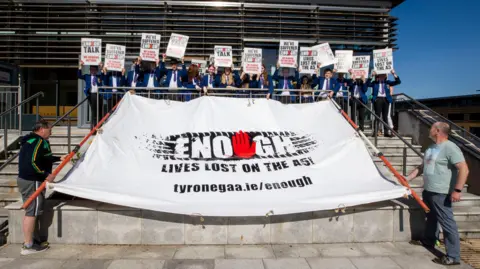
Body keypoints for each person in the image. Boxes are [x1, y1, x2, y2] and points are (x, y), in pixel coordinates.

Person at [406, 122, 469, 266]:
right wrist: (407, 178)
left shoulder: (450, 148)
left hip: (441, 192)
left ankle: (453, 256)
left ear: (438, 131)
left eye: (432, 128)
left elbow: (464, 169)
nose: (429, 130)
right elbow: (422, 167)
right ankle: (428, 241)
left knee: (447, 223)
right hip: (428, 190)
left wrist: (457, 190)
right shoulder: (431, 148)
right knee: (431, 218)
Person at [17, 120, 66, 255]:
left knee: (33, 210)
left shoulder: (32, 140)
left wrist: (58, 158)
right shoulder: (38, 141)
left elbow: (42, 158)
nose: (51, 132)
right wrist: (45, 175)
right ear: (42, 129)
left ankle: (34, 240)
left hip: (27, 180)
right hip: (33, 181)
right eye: (50, 130)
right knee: (32, 212)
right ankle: (28, 246)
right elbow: (32, 162)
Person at [367, 69, 400, 137]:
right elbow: (367, 84)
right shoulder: (375, 83)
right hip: (378, 99)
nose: (382, 76)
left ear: (385, 76)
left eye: (384, 75)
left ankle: (386, 132)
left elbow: (398, 82)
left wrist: (394, 74)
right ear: (378, 76)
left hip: (386, 100)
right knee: (377, 116)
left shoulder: (387, 82)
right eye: (381, 75)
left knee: (385, 117)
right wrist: (371, 76)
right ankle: (375, 132)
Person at [78, 60, 103, 130]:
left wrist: (101, 67)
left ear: (97, 70)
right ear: (89, 70)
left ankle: (99, 125)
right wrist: (80, 66)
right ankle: (93, 127)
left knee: (99, 110)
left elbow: (104, 76)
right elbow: (79, 75)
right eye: (91, 69)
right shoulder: (87, 76)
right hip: (91, 94)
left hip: (99, 94)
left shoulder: (99, 76)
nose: (93, 71)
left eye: (94, 70)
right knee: (94, 110)